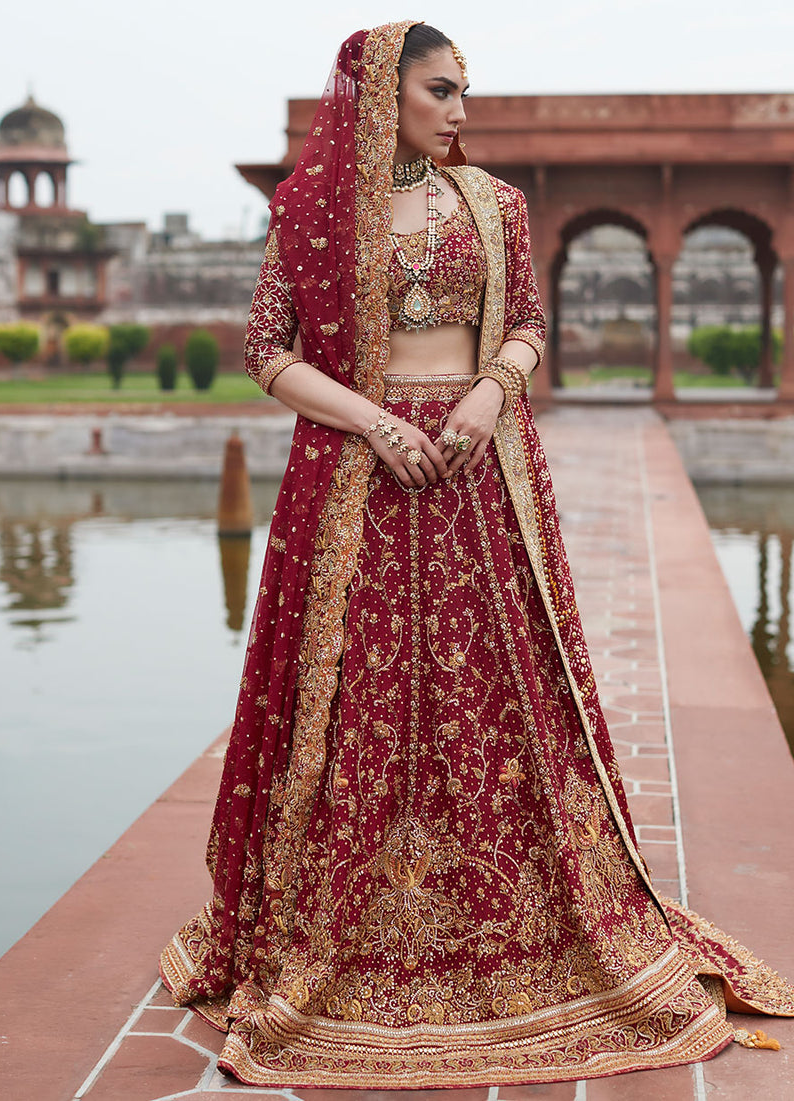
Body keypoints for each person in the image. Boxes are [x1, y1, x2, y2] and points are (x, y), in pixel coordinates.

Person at [160, 20, 794, 1088]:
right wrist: (374, 421)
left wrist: (488, 392)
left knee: (494, 698)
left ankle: (521, 922)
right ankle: (342, 938)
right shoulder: (314, 213)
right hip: (359, 476)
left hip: (474, 474)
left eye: (465, 92)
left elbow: (529, 325)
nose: (460, 111)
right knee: (358, 699)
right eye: (440, 90)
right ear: (378, 95)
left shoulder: (494, 205)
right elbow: (268, 351)